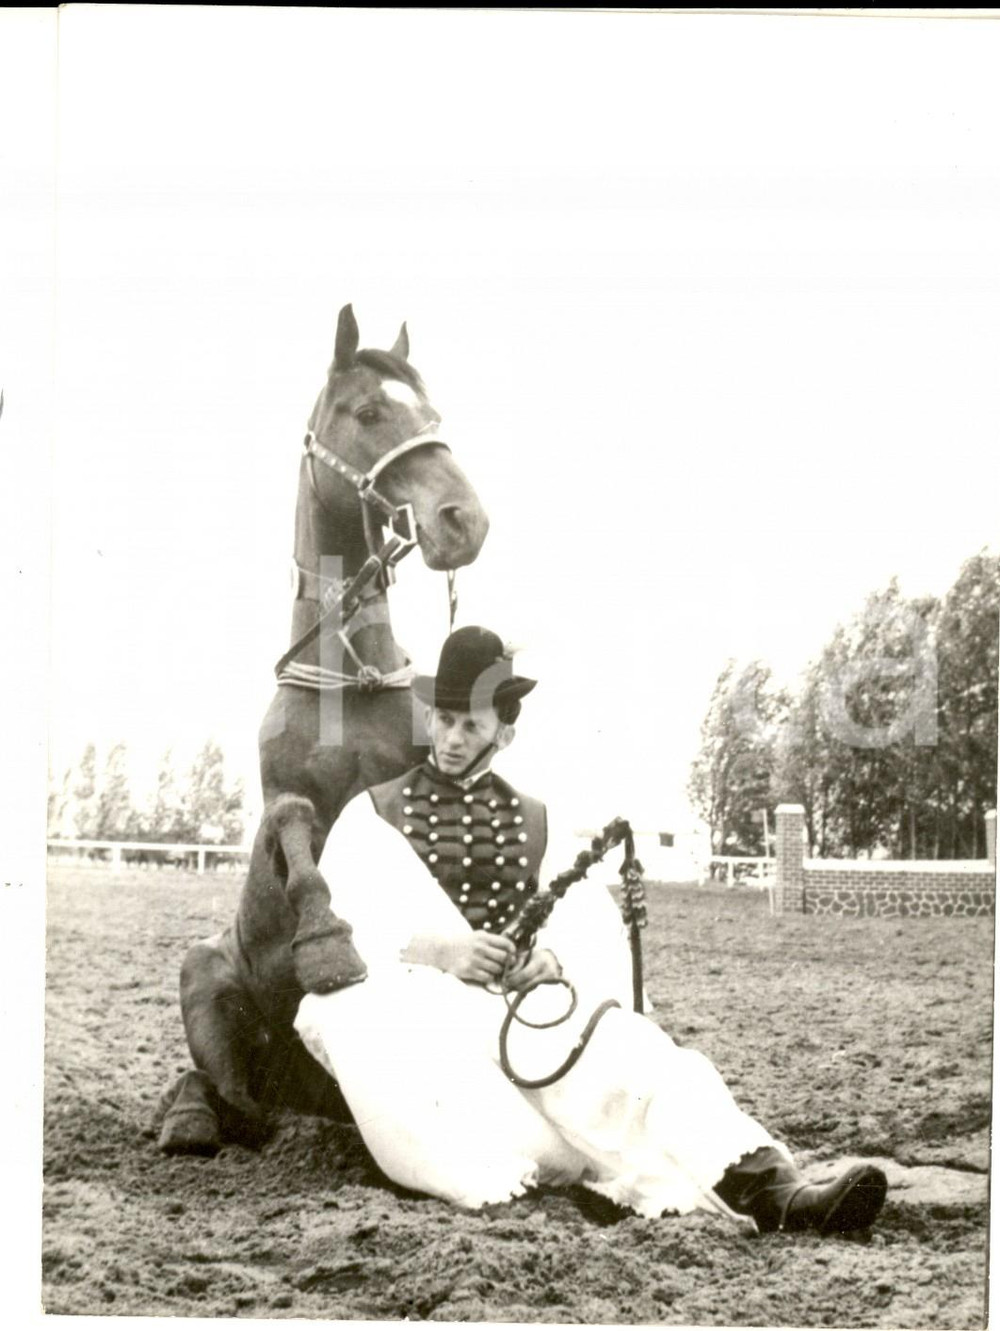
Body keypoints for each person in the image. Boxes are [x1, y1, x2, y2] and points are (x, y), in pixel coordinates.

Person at [295, 626, 887, 1235]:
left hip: (522, 1007)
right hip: (425, 1009)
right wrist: (442, 950)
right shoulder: (373, 817)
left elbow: (589, 932)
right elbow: (336, 937)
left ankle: (776, 1191)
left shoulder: (536, 822)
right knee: (376, 1034)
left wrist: (550, 960)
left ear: (504, 732)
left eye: (469, 726)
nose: (450, 739)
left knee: (642, 1059)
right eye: (442, 720)